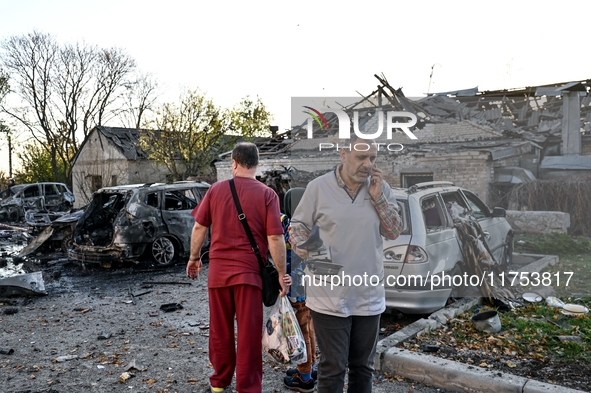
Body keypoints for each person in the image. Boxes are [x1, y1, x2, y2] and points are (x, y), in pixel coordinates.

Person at [289, 135, 403, 393]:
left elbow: (394, 231)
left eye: (372, 158)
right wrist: (308, 249)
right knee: (333, 366)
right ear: (343, 155)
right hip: (328, 295)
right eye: (361, 157)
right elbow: (297, 227)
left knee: (363, 367)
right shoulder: (318, 187)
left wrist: (377, 197)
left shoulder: (380, 188)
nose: (368, 164)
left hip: (368, 293)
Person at [186, 142, 290, 393]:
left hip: (218, 276)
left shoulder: (215, 190)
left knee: (220, 331)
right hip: (249, 277)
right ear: (256, 164)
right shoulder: (268, 195)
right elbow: (275, 238)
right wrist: (282, 274)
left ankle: (219, 383)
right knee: (248, 335)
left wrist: (194, 258)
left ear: (233, 163)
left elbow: (200, 227)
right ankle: (247, 387)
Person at [280, 213, 317, 392]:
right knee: (308, 329)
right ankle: (310, 369)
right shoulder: (307, 223)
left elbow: (302, 253)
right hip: (307, 286)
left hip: (297, 286)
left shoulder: (283, 223)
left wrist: (291, 278)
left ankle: (305, 378)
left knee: (299, 333)